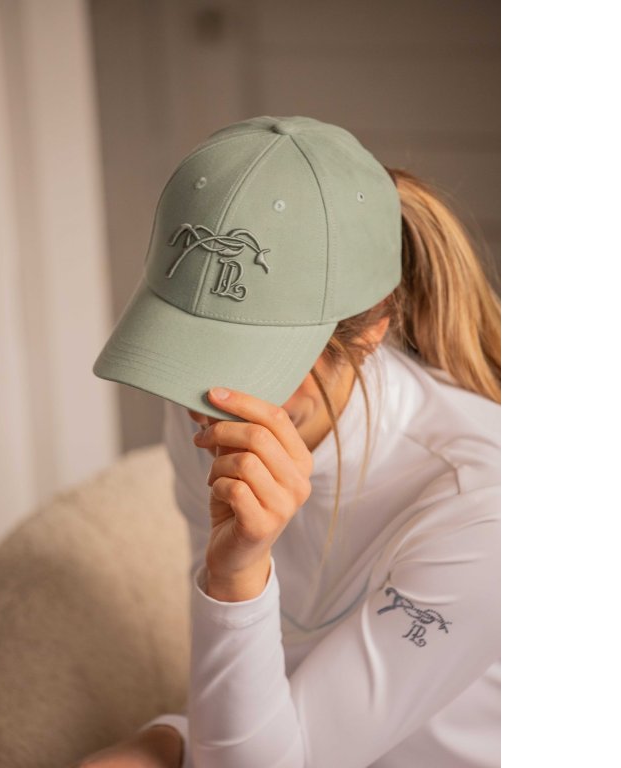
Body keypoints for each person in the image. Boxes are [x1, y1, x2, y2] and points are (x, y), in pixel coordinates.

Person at [83, 115, 500, 768]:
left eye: (251, 356)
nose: (205, 394)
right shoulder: (203, 405)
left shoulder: (484, 510)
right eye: (189, 343)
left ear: (371, 328)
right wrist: (169, 738)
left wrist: (238, 576)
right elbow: (248, 691)